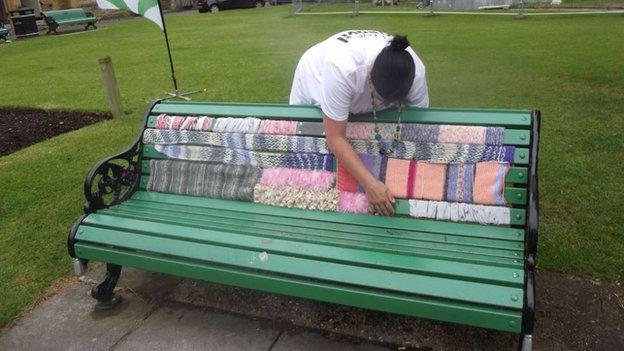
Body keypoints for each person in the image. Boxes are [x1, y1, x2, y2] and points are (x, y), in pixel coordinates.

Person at [289, 30, 429, 216]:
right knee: (309, 149)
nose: (387, 105)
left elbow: (420, 127)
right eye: (382, 98)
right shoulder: (342, 67)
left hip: (353, 82)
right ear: (370, 74)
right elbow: (335, 138)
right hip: (315, 79)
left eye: (393, 101)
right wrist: (370, 184)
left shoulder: (415, 72)